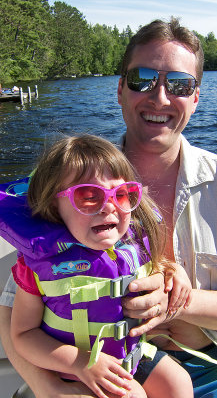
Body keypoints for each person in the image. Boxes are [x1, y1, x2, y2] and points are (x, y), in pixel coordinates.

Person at [0, 17, 217, 398]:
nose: (160, 97)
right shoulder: (65, 182)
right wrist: (47, 385)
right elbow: (13, 311)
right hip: (86, 367)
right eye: (143, 79)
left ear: (196, 98)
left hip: (210, 358)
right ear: (120, 90)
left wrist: (176, 303)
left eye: (179, 84)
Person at [1, 134, 193, 398]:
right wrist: (80, 362)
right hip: (71, 370)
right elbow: (23, 335)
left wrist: (174, 273)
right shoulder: (39, 267)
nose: (108, 207)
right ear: (54, 206)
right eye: (89, 196)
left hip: (128, 358)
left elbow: (158, 267)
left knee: (178, 382)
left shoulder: (134, 243)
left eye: (121, 195)